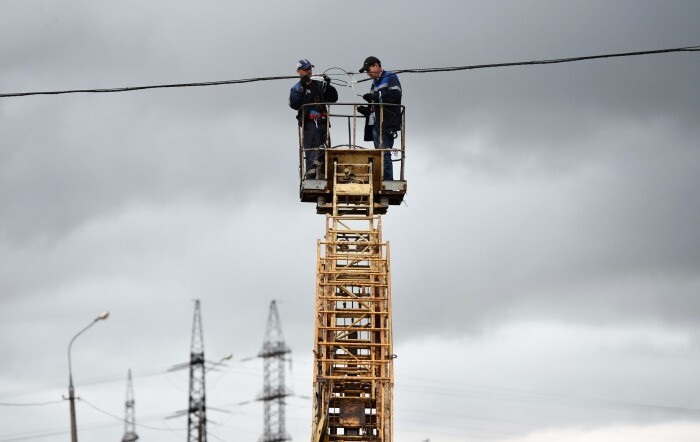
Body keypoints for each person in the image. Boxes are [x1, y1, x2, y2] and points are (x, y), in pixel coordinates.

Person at [289, 58, 338, 179]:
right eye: (306, 69)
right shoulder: (296, 88)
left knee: (325, 149)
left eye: (310, 68)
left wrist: (328, 85)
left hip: (322, 122)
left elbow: (332, 98)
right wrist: (303, 86)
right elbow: (294, 104)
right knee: (312, 150)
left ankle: (326, 174)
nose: (309, 71)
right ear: (299, 71)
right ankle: (312, 175)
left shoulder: (319, 84)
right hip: (309, 124)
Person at [357, 56, 402, 180]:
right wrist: (366, 110)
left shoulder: (390, 77)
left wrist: (376, 96)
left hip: (387, 122)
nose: (368, 73)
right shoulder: (375, 82)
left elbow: (395, 95)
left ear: (376, 66)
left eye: (369, 69)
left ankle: (387, 181)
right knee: (378, 153)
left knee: (384, 153)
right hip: (376, 123)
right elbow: (374, 104)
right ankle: (381, 178)